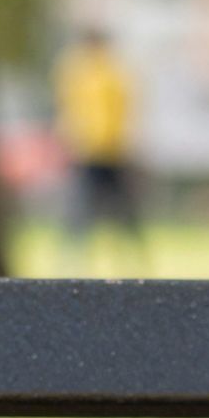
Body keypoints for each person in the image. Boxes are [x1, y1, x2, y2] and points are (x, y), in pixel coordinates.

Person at [54, 26, 146, 272]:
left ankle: (132, 258)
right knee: (83, 210)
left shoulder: (106, 72)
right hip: (90, 151)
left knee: (121, 211)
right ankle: (74, 258)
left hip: (111, 151)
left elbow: (124, 109)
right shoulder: (82, 72)